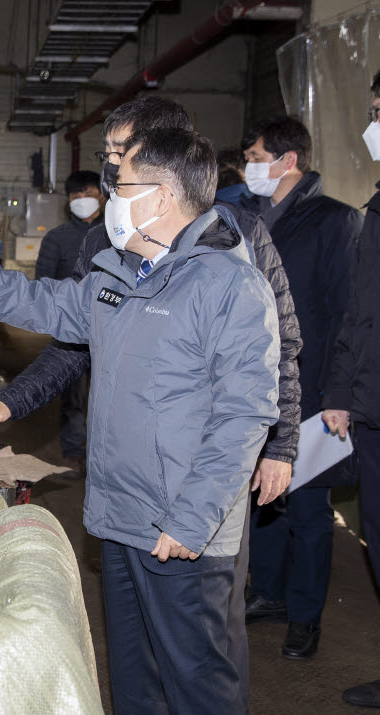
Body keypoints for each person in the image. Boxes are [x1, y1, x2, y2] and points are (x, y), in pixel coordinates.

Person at [0, 96, 302, 709]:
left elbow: (244, 416)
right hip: (119, 517)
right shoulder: (115, 275)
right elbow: (39, 307)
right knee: (134, 681)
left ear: (162, 197)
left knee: (198, 684)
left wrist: (192, 520)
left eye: (121, 183)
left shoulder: (229, 284)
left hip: (182, 528)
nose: (108, 197)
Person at [240, 116, 363, 660]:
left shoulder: (334, 221)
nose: (249, 165)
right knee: (263, 497)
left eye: (256, 155)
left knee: (310, 511)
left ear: (288, 161)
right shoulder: (247, 217)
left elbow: (346, 313)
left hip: (313, 390)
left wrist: (340, 393)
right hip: (255, 386)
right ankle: (268, 592)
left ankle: (305, 615)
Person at [320, 69, 380, 709]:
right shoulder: (379, 206)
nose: (372, 126)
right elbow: (360, 315)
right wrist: (341, 391)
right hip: (371, 413)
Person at [34, 170, 104, 474]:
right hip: (72, 331)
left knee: (108, 394)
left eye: (87, 194)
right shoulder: (57, 238)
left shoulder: (117, 235)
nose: (82, 200)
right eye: (76, 196)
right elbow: (43, 283)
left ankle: (104, 455)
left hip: (110, 329)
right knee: (73, 396)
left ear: (101, 195)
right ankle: (74, 451)